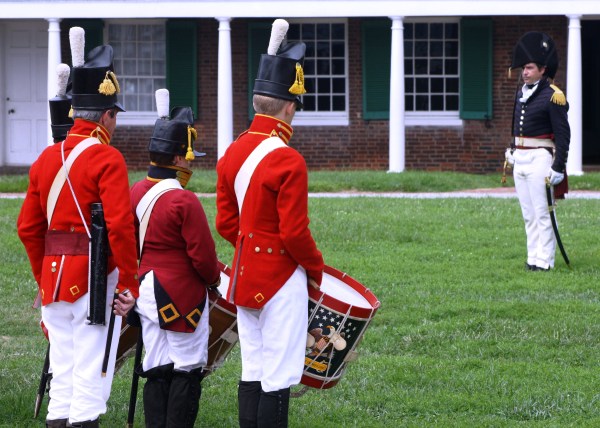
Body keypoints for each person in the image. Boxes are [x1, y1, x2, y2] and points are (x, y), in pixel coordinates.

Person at [17, 27, 139, 428]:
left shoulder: (46, 158)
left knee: (63, 387)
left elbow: (27, 228)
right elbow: (120, 226)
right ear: (106, 115)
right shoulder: (107, 159)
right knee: (90, 384)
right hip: (94, 279)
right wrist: (130, 286)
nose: (115, 122)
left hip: (53, 280)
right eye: (114, 115)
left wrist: (43, 277)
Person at [216, 19, 324, 428]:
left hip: (245, 275)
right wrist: (314, 268)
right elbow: (295, 233)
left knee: (253, 370)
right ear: (288, 105)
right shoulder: (288, 158)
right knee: (278, 377)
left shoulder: (231, 153)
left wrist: (249, 244)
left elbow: (226, 222)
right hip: (281, 278)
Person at [129, 89, 220, 428]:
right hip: (182, 296)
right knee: (188, 366)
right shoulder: (184, 201)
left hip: (147, 291)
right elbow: (203, 257)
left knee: (156, 364)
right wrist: (213, 282)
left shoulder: (135, 191)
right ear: (179, 159)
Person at [505, 31, 570, 272]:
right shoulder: (520, 92)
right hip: (520, 158)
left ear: (542, 70)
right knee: (528, 213)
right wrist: (512, 148)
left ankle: (546, 260)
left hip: (541, 158)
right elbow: (515, 123)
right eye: (523, 68)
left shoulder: (554, 96)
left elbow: (563, 135)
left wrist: (558, 166)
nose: (525, 72)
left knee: (543, 212)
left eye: (530, 68)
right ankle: (533, 257)